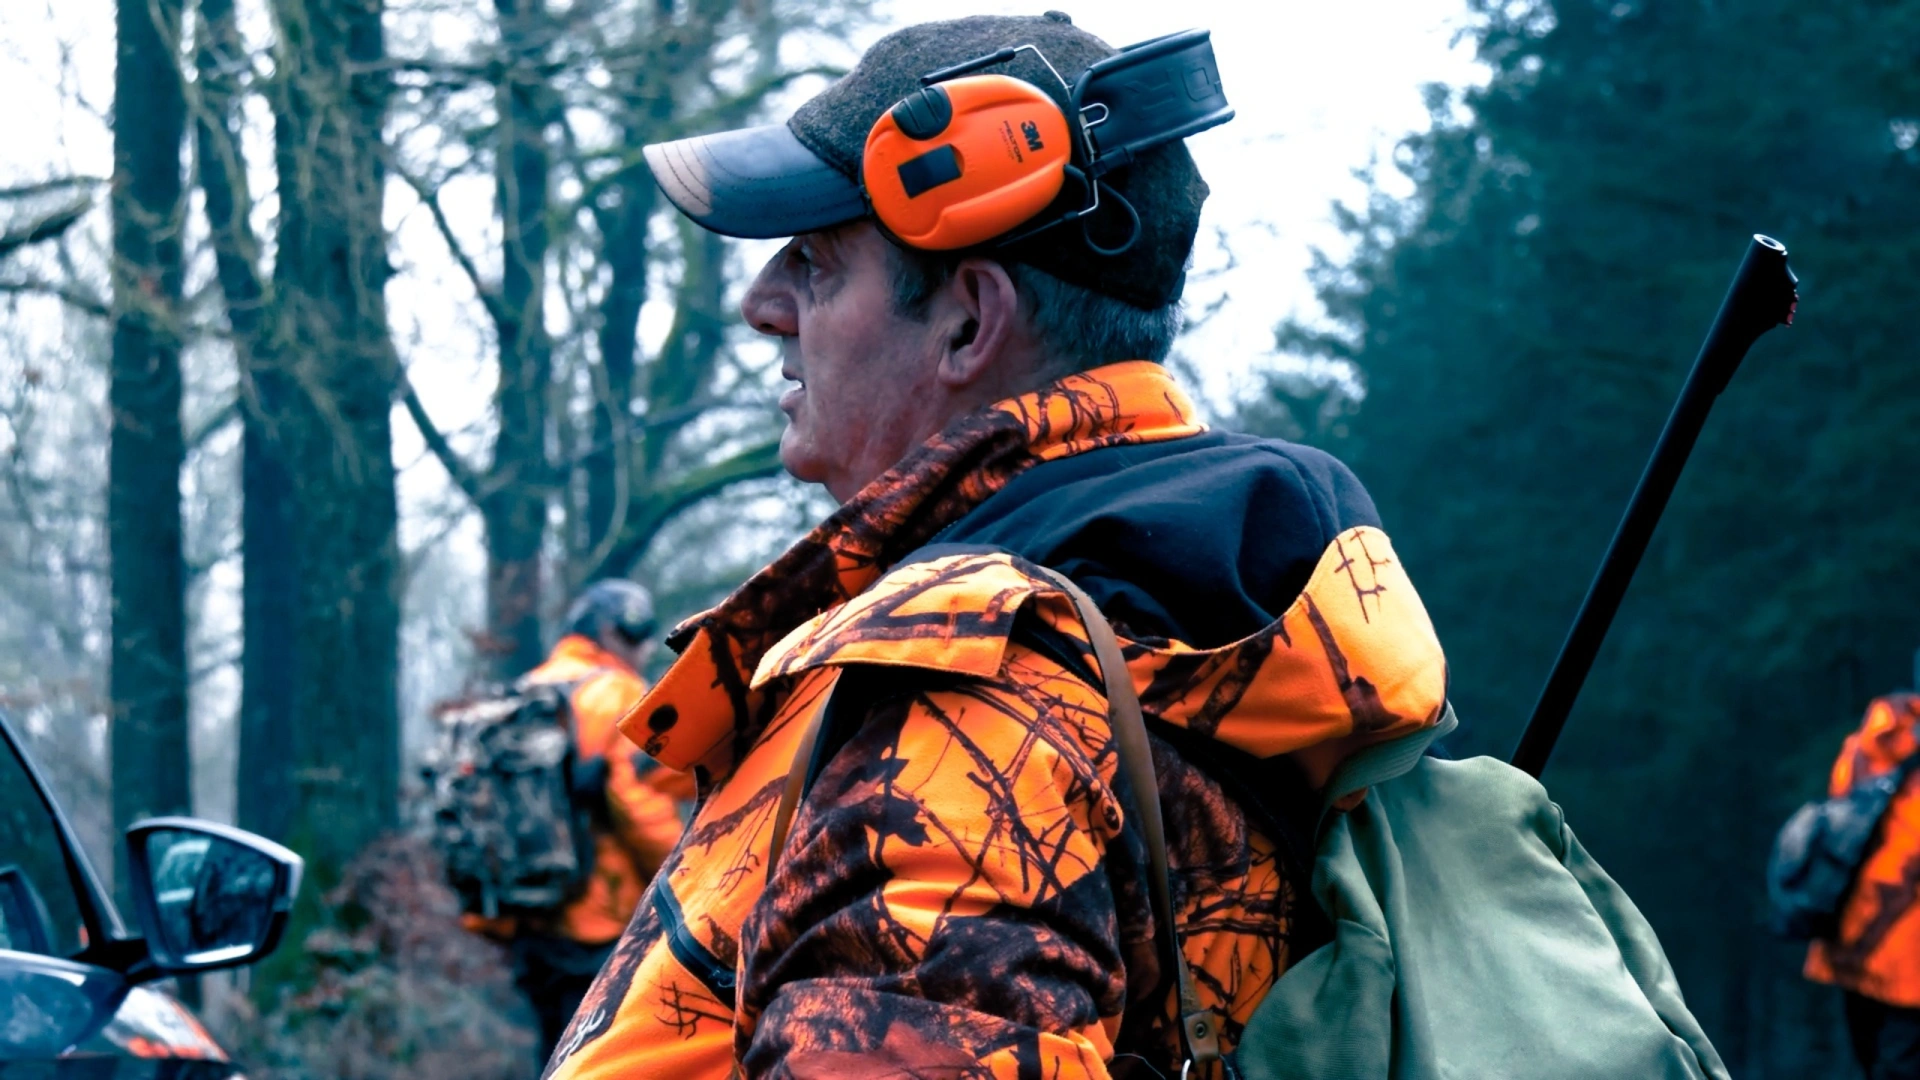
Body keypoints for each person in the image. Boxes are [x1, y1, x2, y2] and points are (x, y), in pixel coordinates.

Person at [543, 14, 1447, 1079]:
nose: (761, 304)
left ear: (970, 323)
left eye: (819, 263)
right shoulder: (1183, 612)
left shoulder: (971, 702)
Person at [462, 578, 692, 1063]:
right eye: (637, 634)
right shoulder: (618, 693)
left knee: (553, 1050)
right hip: (596, 918)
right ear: (610, 632)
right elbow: (634, 804)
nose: (645, 647)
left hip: (527, 913)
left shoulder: (527, 689)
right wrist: (687, 881)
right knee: (601, 1057)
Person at [1805, 679, 1920, 1080]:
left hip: (1855, 940)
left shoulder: (1875, 743)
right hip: (1906, 958)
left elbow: (1841, 796)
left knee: (1875, 1059)